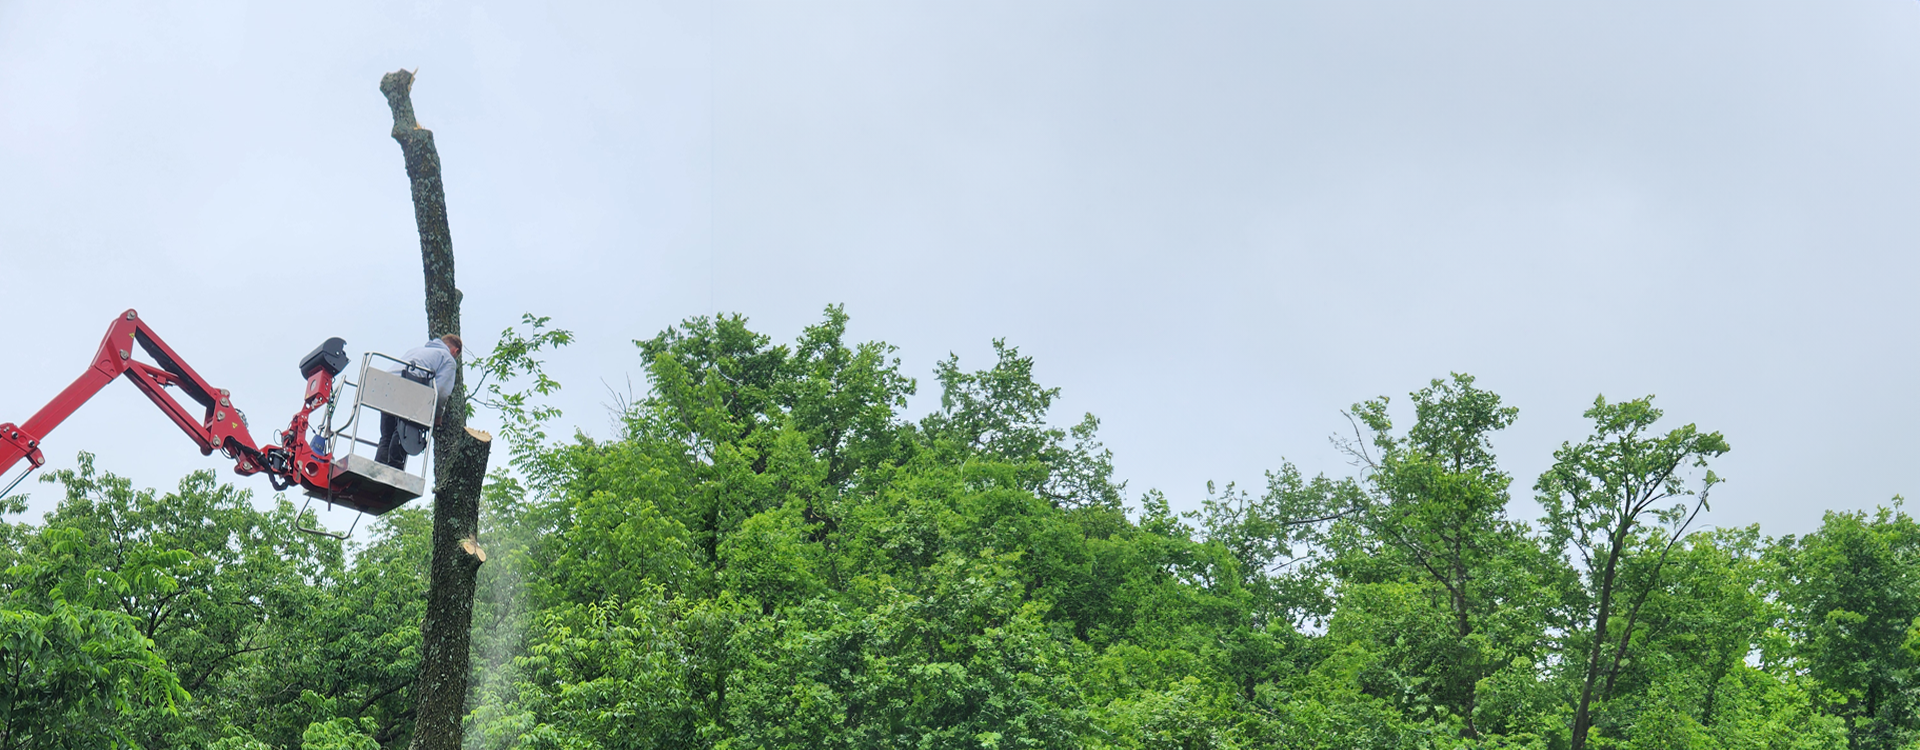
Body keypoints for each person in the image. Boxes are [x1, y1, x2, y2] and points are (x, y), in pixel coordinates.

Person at [374, 334, 462, 470]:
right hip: (407, 387)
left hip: (387, 384)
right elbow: (441, 391)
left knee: (386, 435)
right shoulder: (448, 359)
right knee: (404, 432)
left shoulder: (418, 350)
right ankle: (394, 472)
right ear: (455, 351)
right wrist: (437, 415)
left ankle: (377, 470)